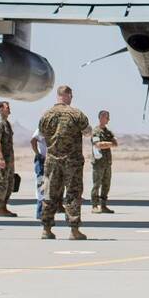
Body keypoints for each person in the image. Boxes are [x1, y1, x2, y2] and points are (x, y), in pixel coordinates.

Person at [37, 85, 92, 240]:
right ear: (67, 95)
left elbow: (41, 134)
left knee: (49, 194)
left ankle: (46, 229)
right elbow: (88, 132)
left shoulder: (46, 115)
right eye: (71, 95)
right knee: (73, 194)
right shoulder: (76, 114)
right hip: (72, 161)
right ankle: (74, 230)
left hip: (52, 161)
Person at [0, 101, 18, 217]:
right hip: (3, 159)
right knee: (1, 183)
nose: (9, 109)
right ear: (1, 109)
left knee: (9, 184)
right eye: (7, 107)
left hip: (9, 159)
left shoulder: (7, 123)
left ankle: (4, 208)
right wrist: (1, 158)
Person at [90, 110, 118, 214]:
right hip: (98, 163)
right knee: (96, 185)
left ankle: (103, 205)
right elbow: (97, 144)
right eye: (107, 117)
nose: (108, 119)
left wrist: (106, 143)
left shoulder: (108, 132)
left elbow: (115, 143)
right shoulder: (96, 131)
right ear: (101, 117)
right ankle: (94, 205)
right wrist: (109, 143)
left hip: (107, 163)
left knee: (106, 184)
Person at [31, 126, 46, 219]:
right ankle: (40, 212)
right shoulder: (42, 127)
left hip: (51, 161)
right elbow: (33, 141)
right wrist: (38, 154)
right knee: (41, 187)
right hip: (42, 161)